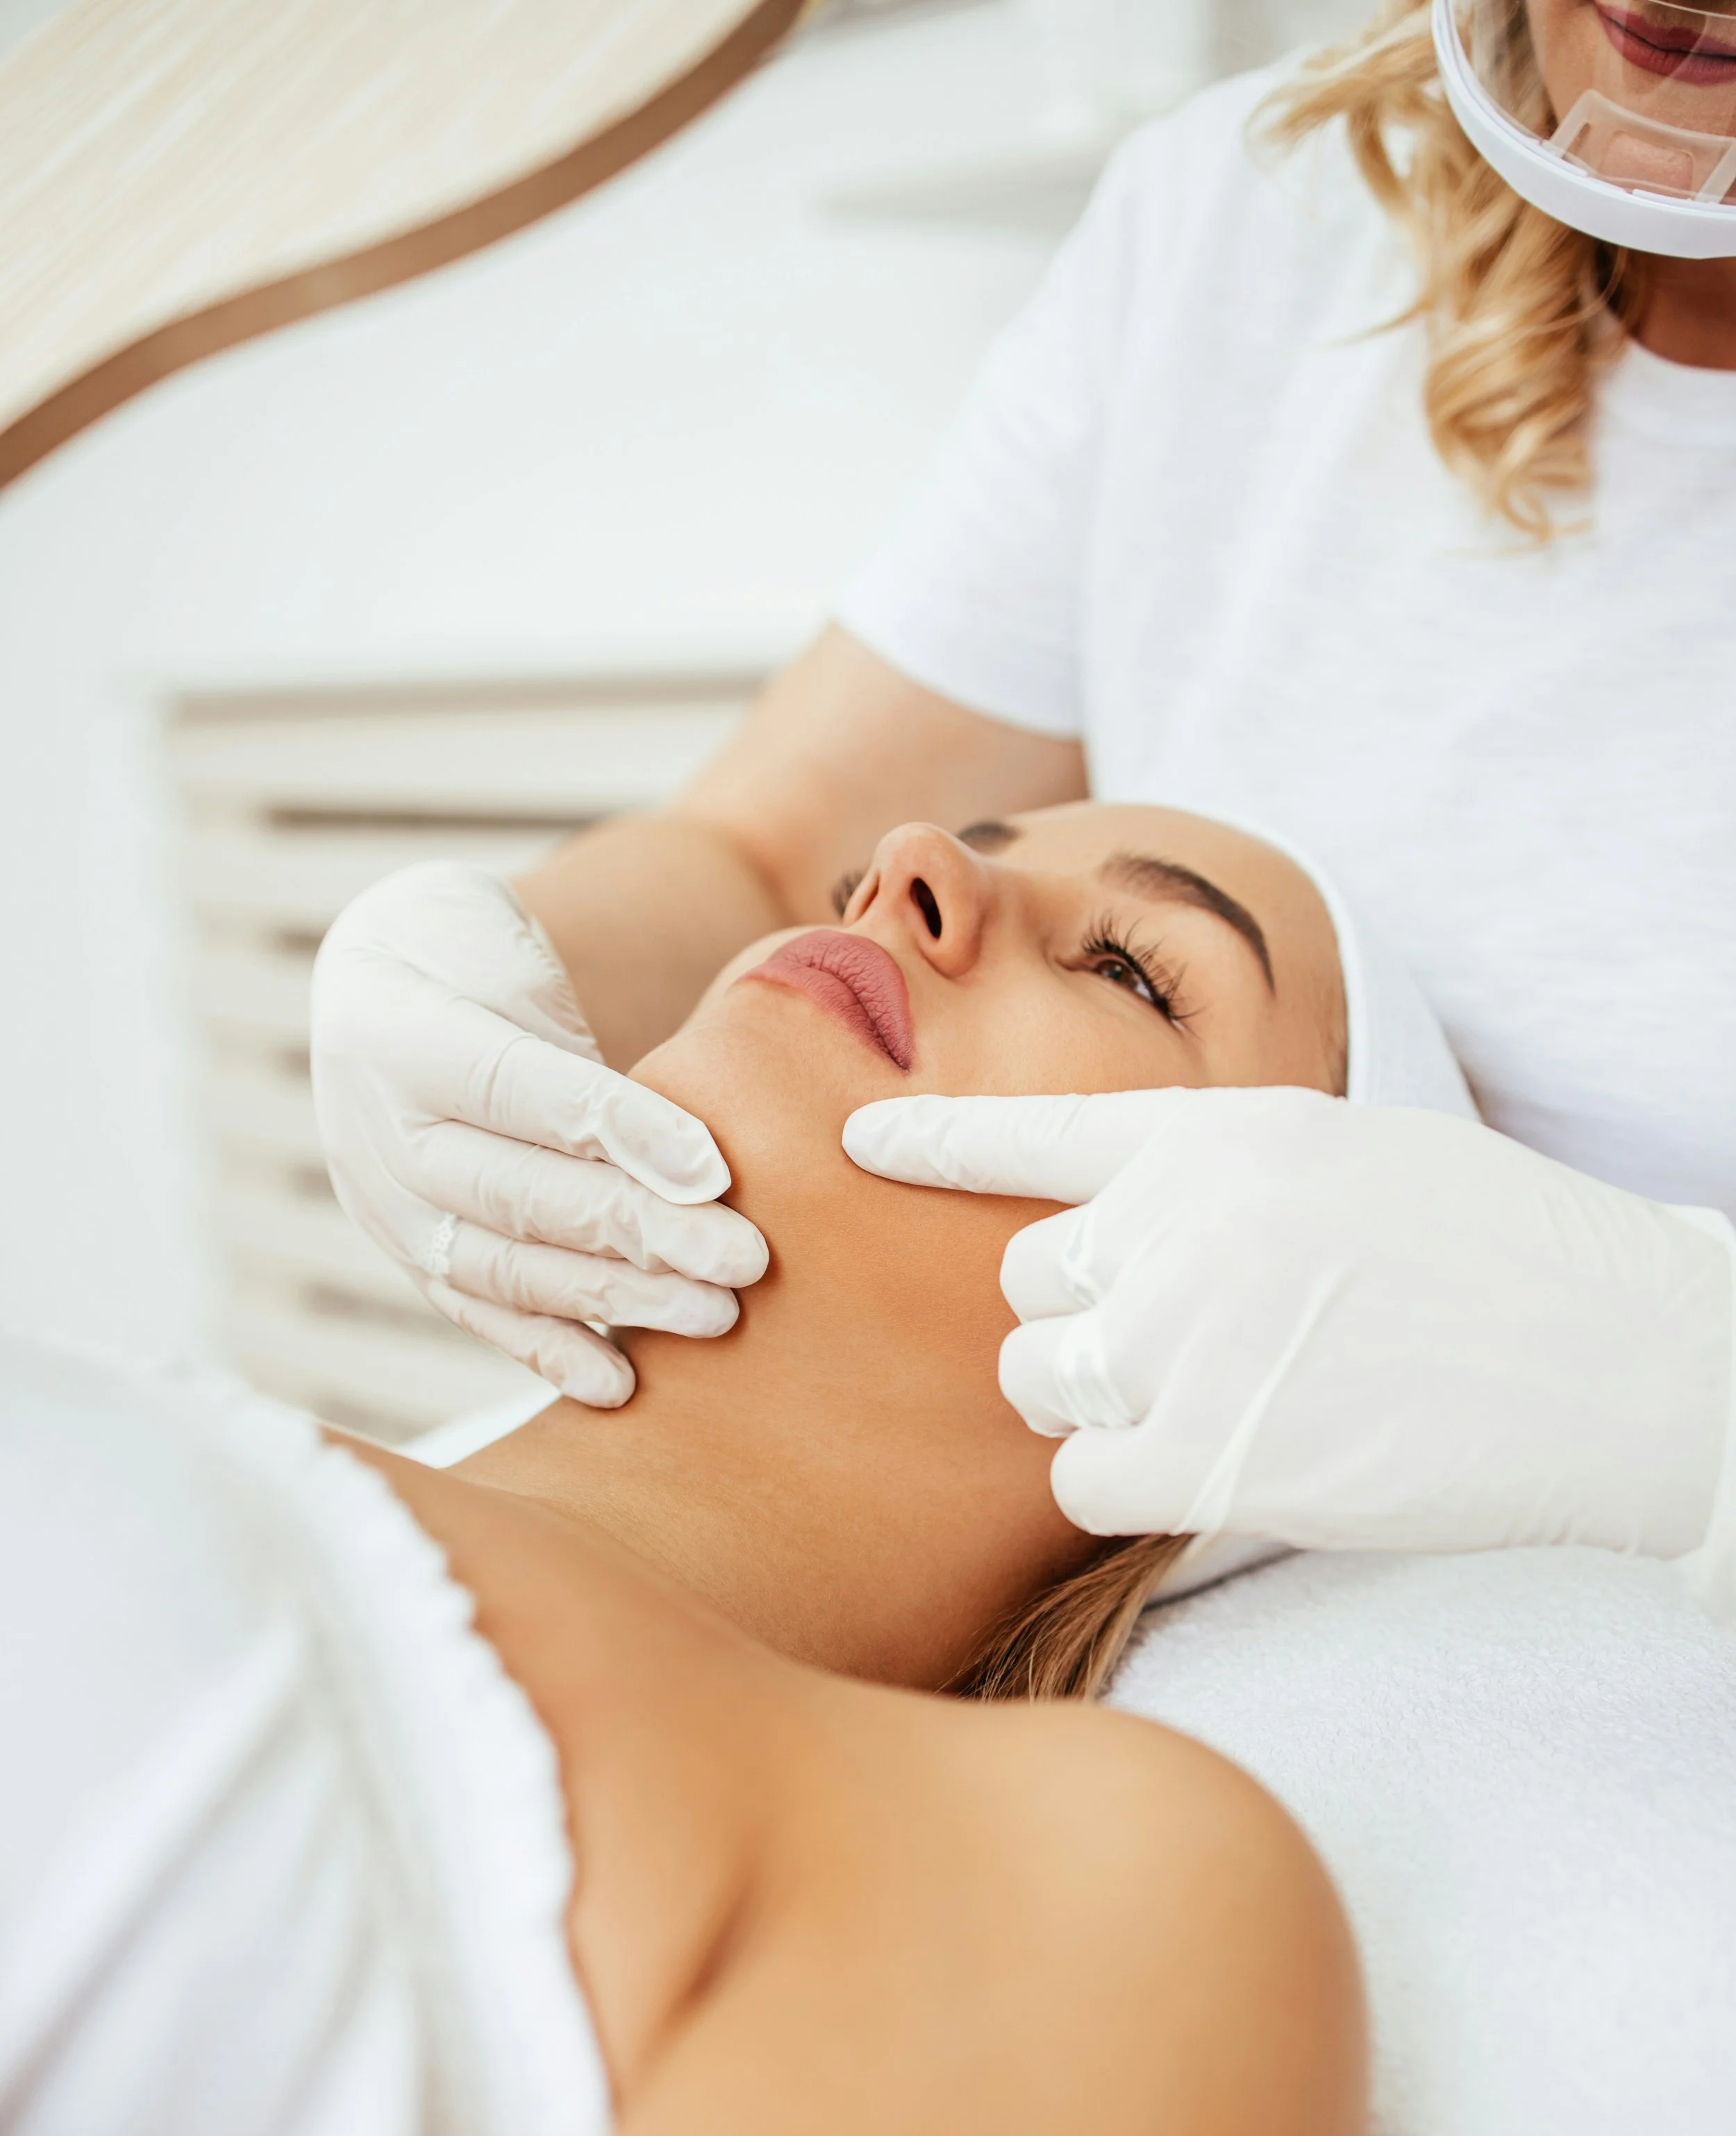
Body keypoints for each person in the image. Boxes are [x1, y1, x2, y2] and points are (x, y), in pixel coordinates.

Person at [5, 801, 1407, 2136]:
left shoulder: (1069, 1897)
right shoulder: (177, 1414)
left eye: (1135, 967)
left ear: (1249, 1349)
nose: (910, 864)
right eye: (953, 839)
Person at [310, 0, 1736, 1621]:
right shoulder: (1255, 219)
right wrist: (476, 958)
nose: (898, 870)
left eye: (1136, 972)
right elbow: (773, 849)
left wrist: (1702, 1407)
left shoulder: (1110, 1850)